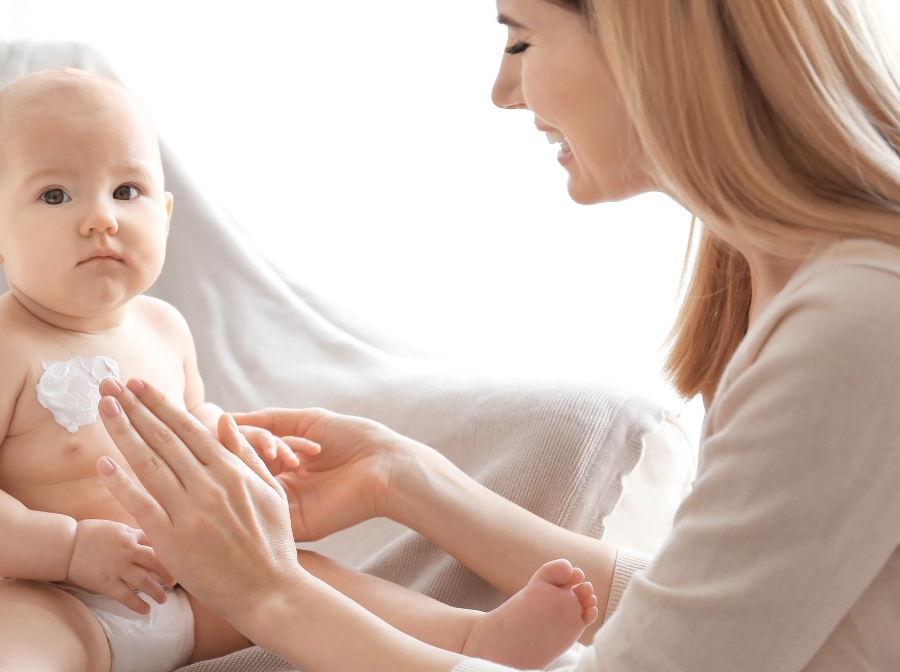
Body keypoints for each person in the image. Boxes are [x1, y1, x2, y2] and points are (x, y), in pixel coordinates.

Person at [90, 0, 900, 670]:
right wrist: (402, 479)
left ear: (647, 38)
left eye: (520, 38)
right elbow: (714, 622)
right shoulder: (825, 294)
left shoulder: (855, 324)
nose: (502, 90)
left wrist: (266, 591)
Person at [0, 67, 600, 672]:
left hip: (187, 588)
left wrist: (239, 447)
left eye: (127, 192)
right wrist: (70, 547)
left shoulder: (163, 328)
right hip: (50, 595)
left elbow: (193, 427)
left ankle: (469, 638)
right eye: (56, 195)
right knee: (12, 644)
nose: (100, 220)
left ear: (165, 215)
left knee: (310, 579)